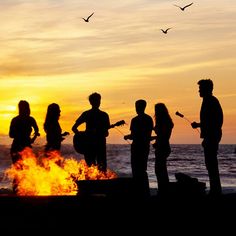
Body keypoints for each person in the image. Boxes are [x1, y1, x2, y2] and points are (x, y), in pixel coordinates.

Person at [191, 79, 223, 196]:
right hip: (211, 135)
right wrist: (199, 125)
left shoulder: (211, 101)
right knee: (211, 164)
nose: (199, 90)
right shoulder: (209, 101)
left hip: (212, 136)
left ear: (207, 89)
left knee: (211, 164)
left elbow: (215, 121)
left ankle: (215, 191)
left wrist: (200, 125)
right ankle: (215, 189)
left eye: (200, 88)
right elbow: (210, 120)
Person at [72, 92, 110, 172]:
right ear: (92, 102)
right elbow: (106, 134)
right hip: (96, 145)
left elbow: (74, 128)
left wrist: (82, 135)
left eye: (98, 100)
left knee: (92, 168)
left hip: (92, 145)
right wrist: (82, 136)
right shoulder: (104, 115)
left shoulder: (87, 114)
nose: (98, 102)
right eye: (96, 101)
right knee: (100, 168)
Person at [124, 99, 153, 197]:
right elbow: (148, 134)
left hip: (136, 147)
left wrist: (127, 137)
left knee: (136, 169)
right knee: (143, 169)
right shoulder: (149, 119)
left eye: (136, 106)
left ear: (138, 107)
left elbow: (133, 135)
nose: (136, 108)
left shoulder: (135, 120)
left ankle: (138, 192)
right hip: (145, 147)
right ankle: (145, 192)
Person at [9, 100, 40, 193]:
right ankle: (19, 191)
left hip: (19, 147)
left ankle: (21, 192)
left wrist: (32, 138)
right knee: (21, 170)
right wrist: (32, 138)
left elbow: (11, 135)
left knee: (20, 170)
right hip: (22, 147)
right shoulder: (30, 119)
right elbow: (37, 131)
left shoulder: (16, 120)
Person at [153, 103, 174, 195]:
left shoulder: (163, 121)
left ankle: (163, 190)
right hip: (164, 146)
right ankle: (163, 189)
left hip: (162, 146)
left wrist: (154, 130)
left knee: (159, 169)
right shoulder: (167, 121)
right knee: (161, 169)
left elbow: (161, 134)